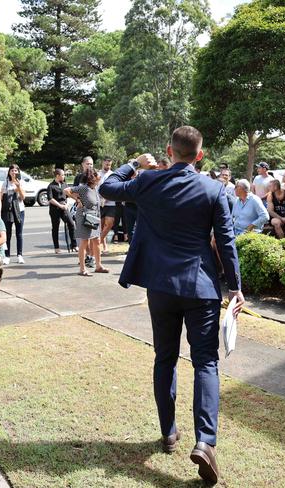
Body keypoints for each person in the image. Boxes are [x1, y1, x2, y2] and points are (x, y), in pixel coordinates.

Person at [99, 126, 244, 484]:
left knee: (165, 357)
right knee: (205, 363)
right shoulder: (214, 189)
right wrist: (236, 287)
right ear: (200, 155)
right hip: (201, 287)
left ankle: (168, 431)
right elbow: (225, 242)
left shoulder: (148, 182)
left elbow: (106, 187)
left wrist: (134, 163)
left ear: (169, 150)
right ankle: (206, 441)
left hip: (161, 287)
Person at [64, 167, 108, 276]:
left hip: (94, 217)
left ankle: (98, 266)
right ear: (93, 178)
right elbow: (66, 190)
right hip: (84, 217)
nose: (100, 177)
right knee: (84, 242)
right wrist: (78, 200)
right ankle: (82, 269)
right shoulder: (84, 188)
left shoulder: (94, 189)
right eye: (98, 175)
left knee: (97, 240)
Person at [0, 163, 26, 265]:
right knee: (8, 234)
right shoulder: (5, 183)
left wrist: (18, 187)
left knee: (19, 234)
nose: (14, 172)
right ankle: (7, 256)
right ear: (9, 172)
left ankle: (20, 255)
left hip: (20, 210)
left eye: (16, 170)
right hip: (8, 210)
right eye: (12, 170)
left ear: (18, 172)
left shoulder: (21, 182)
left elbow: (23, 197)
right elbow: (1, 197)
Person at [47, 168, 76, 253]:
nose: (64, 176)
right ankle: (56, 247)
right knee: (55, 227)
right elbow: (50, 199)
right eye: (62, 175)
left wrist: (66, 204)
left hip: (64, 207)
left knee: (71, 224)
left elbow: (68, 195)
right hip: (55, 209)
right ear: (57, 175)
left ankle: (74, 245)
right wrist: (59, 205)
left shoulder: (64, 184)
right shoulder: (51, 186)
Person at [98, 158, 117, 253]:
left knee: (109, 223)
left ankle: (98, 243)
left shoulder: (113, 175)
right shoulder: (97, 174)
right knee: (101, 226)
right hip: (100, 203)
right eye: (106, 164)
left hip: (111, 203)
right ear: (102, 163)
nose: (107, 166)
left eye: (109, 165)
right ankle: (103, 246)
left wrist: (108, 197)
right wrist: (101, 199)